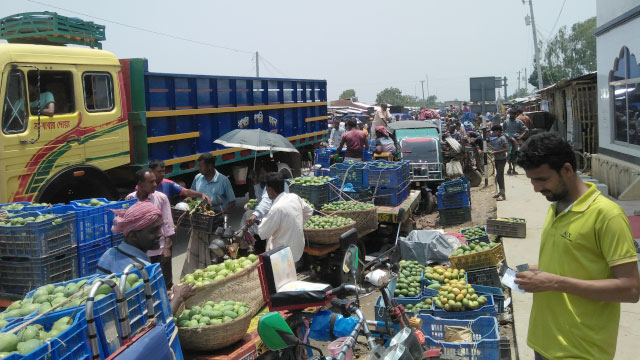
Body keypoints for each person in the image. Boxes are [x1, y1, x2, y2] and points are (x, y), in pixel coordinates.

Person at [513, 133, 639, 360]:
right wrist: (537, 271)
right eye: (532, 180)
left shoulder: (607, 215)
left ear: (567, 170)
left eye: (542, 179)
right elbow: (576, 261)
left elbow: (630, 289)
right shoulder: (557, 205)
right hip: (544, 341)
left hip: (580, 350)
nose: (535, 188)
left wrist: (553, 281)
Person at [96, 201, 194, 314]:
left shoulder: (108, 254)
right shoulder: (143, 270)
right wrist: (178, 297)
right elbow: (158, 319)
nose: (161, 234)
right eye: (153, 230)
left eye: (160, 228)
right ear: (133, 236)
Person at [181, 153, 236, 276]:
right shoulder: (198, 178)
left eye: (201, 166)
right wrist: (188, 199)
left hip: (215, 219)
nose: (199, 168)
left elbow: (232, 201)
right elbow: (193, 195)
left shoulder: (223, 180)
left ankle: (217, 272)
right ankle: (200, 271)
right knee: (198, 248)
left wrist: (223, 212)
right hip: (200, 220)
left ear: (210, 166)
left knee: (215, 250)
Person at [124, 168, 175, 288]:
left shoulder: (161, 198)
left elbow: (168, 224)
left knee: (164, 285)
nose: (155, 184)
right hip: (139, 254)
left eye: (155, 181)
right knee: (145, 287)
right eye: (151, 182)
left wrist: (167, 248)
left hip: (159, 251)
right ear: (141, 185)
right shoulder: (130, 199)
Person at [258, 173, 314, 263]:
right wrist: (297, 224)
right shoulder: (294, 197)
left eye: (267, 189)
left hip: (282, 255)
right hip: (298, 249)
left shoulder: (276, 208)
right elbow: (309, 211)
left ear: (271, 190)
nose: (267, 191)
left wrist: (263, 220)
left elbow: (262, 234)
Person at [502, 108, 529, 175]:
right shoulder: (506, 122)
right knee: (509, 153)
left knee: (515, 153)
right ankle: (509, 167)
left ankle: (514, 168)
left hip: (516, 139)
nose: (511, 115)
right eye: (510, 114)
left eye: (513, 114)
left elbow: (526, 129)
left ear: (515, 115)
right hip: (508, 139)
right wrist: (507, 136)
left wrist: (521, 136)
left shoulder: (518, 122)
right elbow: (503, 131)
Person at [487, 125, 509, 201]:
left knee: (500, 177)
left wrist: (496, 152)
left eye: (494, 131)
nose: (493, 133)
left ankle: (503, 195)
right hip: (497, 159)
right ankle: (500, 192)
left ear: (498, 131)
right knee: (498, 177)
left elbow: (507, 149)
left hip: (501, 160)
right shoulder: (498, 139)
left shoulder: (503, 138)